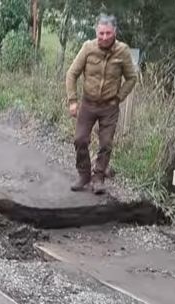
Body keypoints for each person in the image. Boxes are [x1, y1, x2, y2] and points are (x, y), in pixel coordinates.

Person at [65, 14, 138, 194]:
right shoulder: (88, 48)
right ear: (96, 32)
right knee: (80, 139)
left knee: (106, 143)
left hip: (109, 107)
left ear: (115, 32)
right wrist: (73, 100)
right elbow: (71, 74)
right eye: (101, 34)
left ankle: (98, 178)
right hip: (88, 104)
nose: (104, 37)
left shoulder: (123, 51)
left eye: (108, 33)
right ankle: (84, 175)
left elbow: (131, 78)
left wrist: (119, 97)